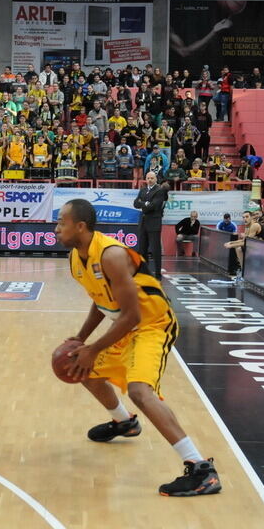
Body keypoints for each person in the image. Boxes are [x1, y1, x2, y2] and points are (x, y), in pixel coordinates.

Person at [55, 199, 221, 496]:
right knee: (82, 368)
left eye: (61, 223)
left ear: (80, 226)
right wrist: (81, 340)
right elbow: (101, 300)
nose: (56, 229)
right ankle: (124, 422)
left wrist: (92, 347)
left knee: (140, 391)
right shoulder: (75, 259)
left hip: (152, 325)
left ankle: (200, 469)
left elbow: (132, 315)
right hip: (126, 328)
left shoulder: (112, 255)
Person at [134, 171, 168, 279]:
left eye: (152, 178)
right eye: (148, 178)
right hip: (143, 222)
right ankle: (145, 272)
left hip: (154, 223)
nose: (149, 180)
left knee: (155, 250)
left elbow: (154, 206)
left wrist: (143, 203)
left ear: (156, 179)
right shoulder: (143, 190)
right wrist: (146, 203)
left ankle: (158, 274)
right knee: (142, 249)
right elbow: (135, 203)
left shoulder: (159, 190)